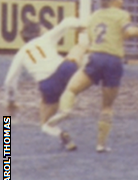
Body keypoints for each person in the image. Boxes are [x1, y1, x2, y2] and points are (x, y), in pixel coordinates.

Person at [46, 0, 138, 152]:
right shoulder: (121, 15)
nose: (122, 1)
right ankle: (101, 144)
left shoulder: (94, 16)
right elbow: (130, 32)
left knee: (71, 89)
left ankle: (65, 111)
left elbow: (92, 40)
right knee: (107, 105)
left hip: (96, 58)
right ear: (113, 0)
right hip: (113, 61)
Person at [2, 18, 88, 150]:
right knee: (79, 47)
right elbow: (66, 23)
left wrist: (11, 101)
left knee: (45, 124)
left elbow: (9, 81)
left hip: (47, 84)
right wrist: (82, 25)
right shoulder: (45, 38)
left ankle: (61, 134)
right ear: (38, 32)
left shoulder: (21, 53)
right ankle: (98, 56)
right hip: (64, 70)